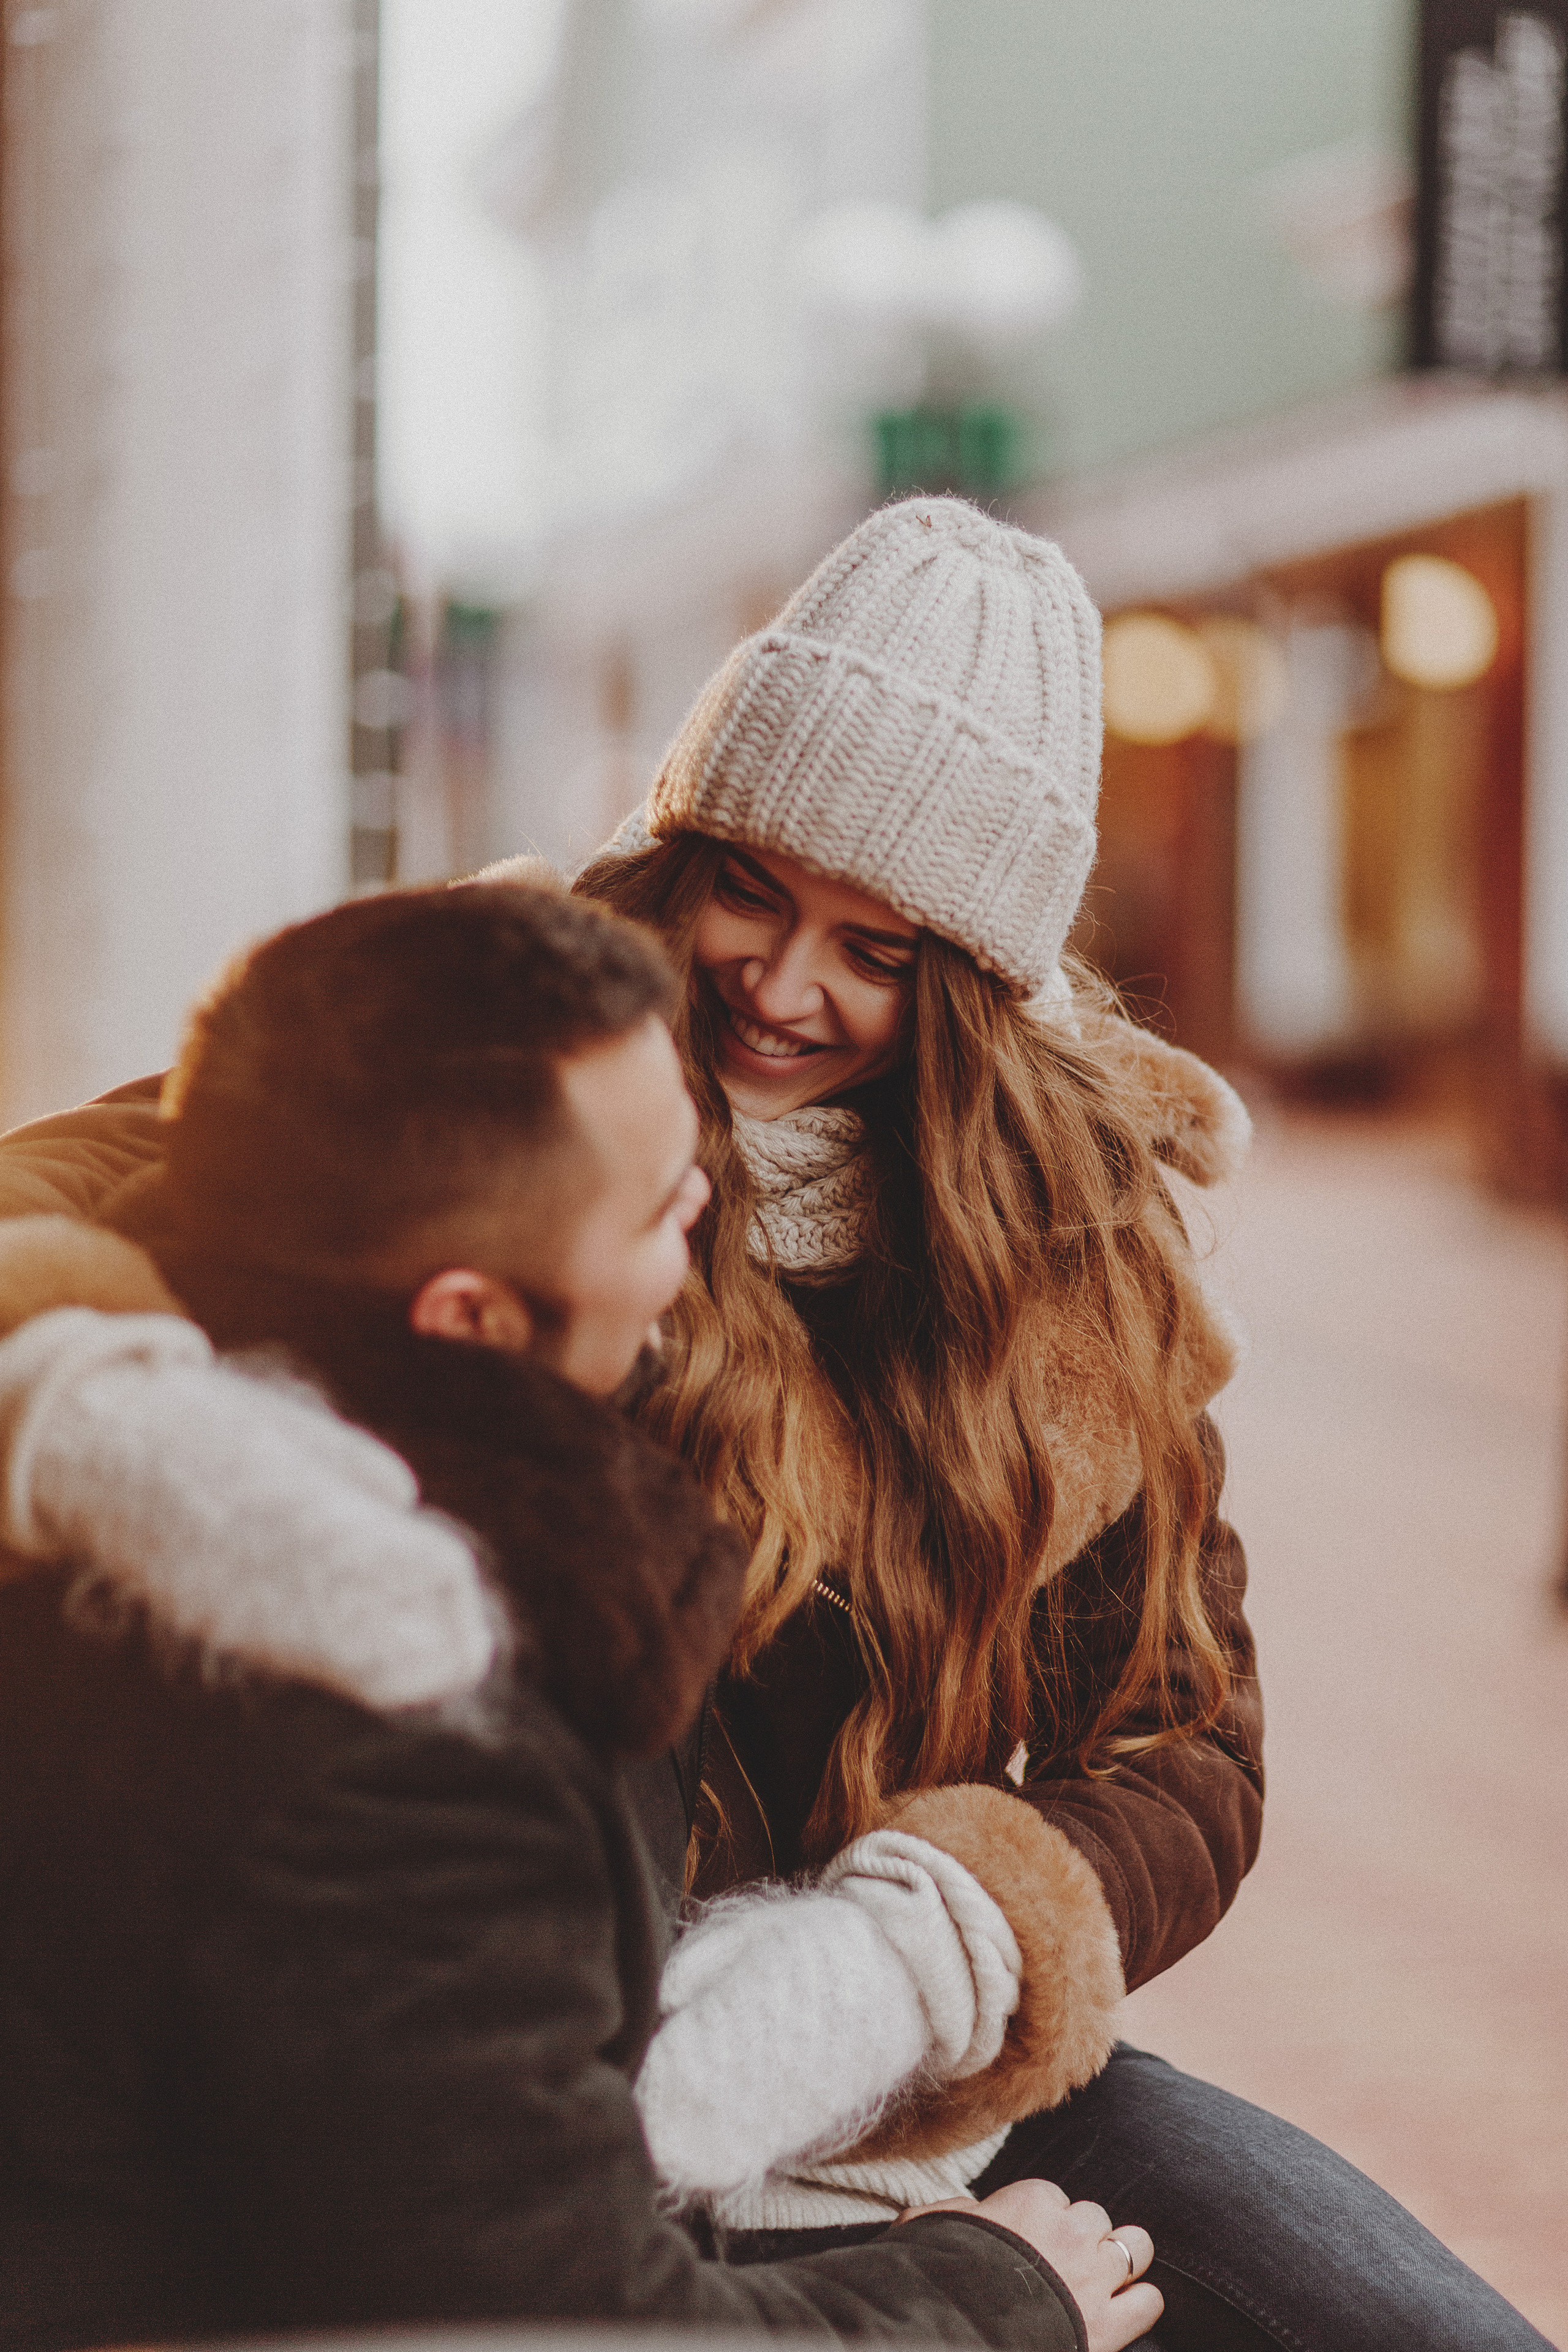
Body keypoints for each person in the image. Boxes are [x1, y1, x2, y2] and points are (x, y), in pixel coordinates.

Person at [559, 498, 1551, 2351]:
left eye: (879, 948)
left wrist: (909, 1954)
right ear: (674, 851)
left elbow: (1181, 1743)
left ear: (973, 978)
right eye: (750, 888)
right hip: (553, 2093)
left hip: (928, 2073)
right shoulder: (477, 1106)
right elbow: (109, 1185)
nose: (782, 985)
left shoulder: (1069, 1263)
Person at [0, 881, 1163, 2352]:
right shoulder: (402, 1708)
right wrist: (990, 2302)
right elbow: (548, 2318)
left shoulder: (179, 1443)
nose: (706, 1217)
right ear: (472, 1316)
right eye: (662, 1205)